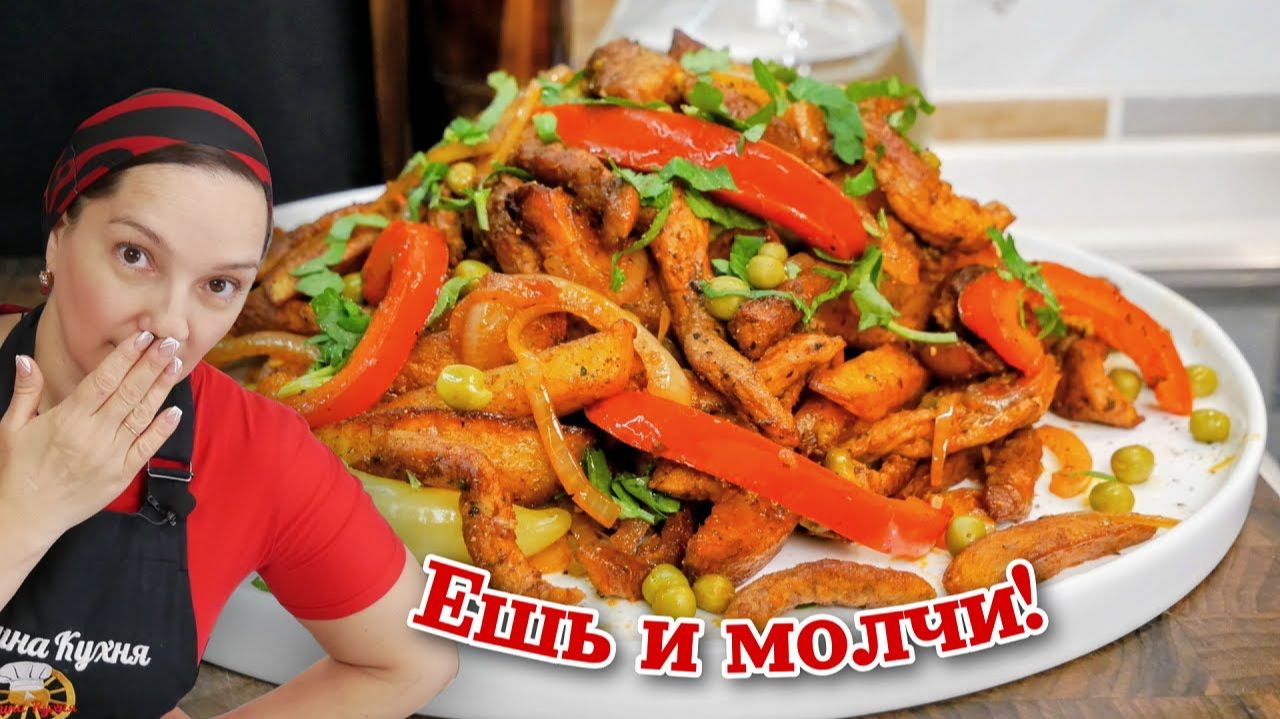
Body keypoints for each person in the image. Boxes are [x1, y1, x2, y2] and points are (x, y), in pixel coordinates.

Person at [0, 89, 458, 718]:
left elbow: (415, 659)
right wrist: (27, 510)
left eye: (218, 285)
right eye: (135, 256)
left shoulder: (257, 451)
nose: (170, 322)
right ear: (58, 237)